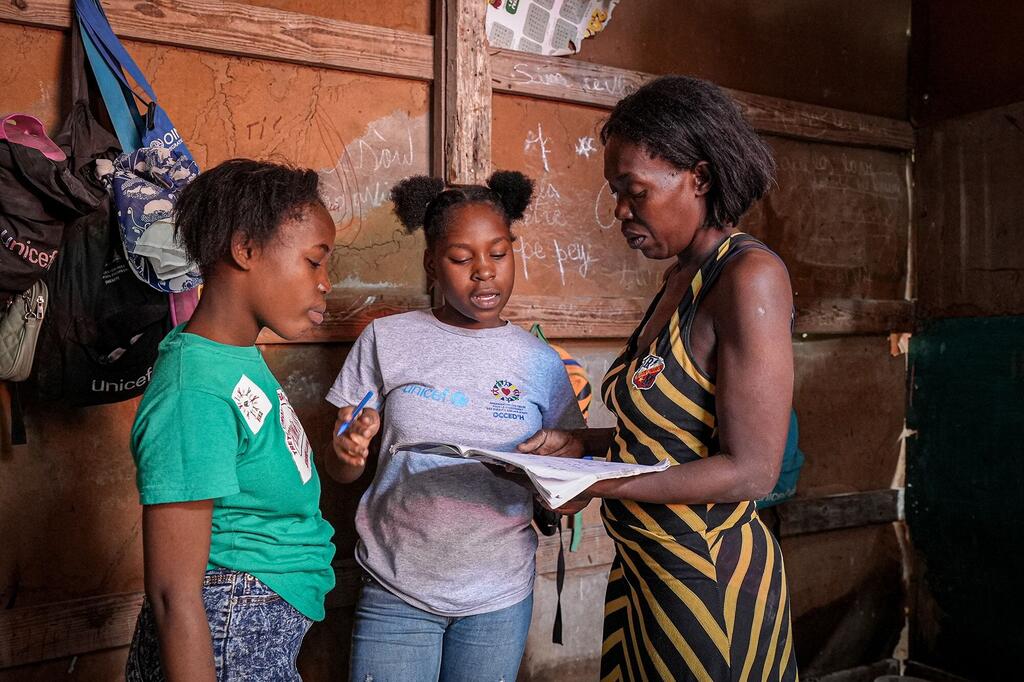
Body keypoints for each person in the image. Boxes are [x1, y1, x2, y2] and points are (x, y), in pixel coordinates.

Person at [518, 75, 799, 681]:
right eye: (615, 192)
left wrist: (597, 484)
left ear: (698, 178)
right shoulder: (679, 280)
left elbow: (751, 470)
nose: (620, 210)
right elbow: (665, 439)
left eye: (634, 191)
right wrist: (575, 449)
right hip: (646, 576)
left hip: (708, 582)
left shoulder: (748, 279)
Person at [325, 171, 585, 682]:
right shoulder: (387, 340)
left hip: (499, 596)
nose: (483, 273)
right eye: (462, 259)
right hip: (396, 586)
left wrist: (550, 477)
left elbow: (572, 482)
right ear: (432, 263)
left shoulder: (541, 362)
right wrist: (348, 451)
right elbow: (339, 470)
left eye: (499, 254)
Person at [125, 159, 337, 681]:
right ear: (245, 250)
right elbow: (175, 593)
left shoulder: (235, 360)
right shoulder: (194, 388)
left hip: (251, 622)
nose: (325, 283)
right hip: (226, 628)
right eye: (314, 262)